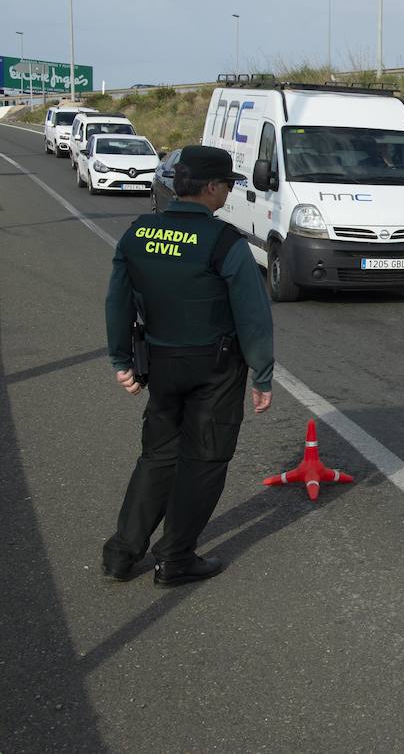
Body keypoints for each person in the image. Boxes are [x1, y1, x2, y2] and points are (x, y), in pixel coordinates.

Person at [101, 146, 275, 586]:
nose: (229, 193)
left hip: (161, 364)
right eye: (228, 185)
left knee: (157, 457)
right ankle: (175, 558)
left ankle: (122, 554)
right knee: (204, 459)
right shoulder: (224, 241)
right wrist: (262, 373)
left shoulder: (138, 233)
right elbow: (253, 315)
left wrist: (122, 359)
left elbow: (117, 302)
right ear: (211, 187)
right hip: (215, 369)